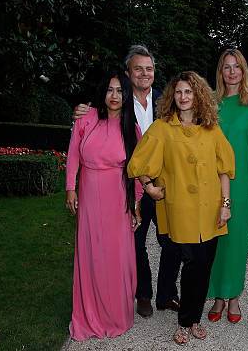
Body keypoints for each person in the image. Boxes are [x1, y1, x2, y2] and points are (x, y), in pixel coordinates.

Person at [74, 45, 182, 318]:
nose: (144, 74)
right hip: (130, 185)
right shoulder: (116, 103)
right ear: (127, 73)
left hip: (164, 185)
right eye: (138, 69)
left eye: (149, 69)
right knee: (135, 242)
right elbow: (89, 128)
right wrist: (80, 110)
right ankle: (143, 294)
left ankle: (167, 293)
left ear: (154, 72)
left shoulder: (166, 102)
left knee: (172, 240)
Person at [128, 71, 235, 345]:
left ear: (198, 95)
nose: (183, 97)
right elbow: (139, 163)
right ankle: (185, 322)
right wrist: (149, 187)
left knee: (204, 266)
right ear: (172, 97)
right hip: (181, 210)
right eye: (178, 92)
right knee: (191, 265)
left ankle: (195, 317)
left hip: (211, 209)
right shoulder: (162, 128)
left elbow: (225, 170)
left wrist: (225, 205)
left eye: (188, 92)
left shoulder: (212, 129)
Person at [65, 72, 142, 340]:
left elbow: (137, 169)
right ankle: (89, 314)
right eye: (110, 90)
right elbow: (73, 154)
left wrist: (136, 205)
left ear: (126, 95)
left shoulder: (131, 127)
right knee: (91, 252)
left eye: (120, 91)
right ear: (103, 92)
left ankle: (116, 314)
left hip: (118, 197)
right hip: (88, 194)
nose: (114, 96)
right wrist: (71, 188)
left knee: (116, 256)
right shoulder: (86, 119)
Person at [207, 49, 248, 324]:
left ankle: (235, 297)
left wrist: (242, 178)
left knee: (237, 241)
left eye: (236, 67)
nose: (231, 72)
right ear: (220, 72)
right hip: (209, 183)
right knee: (215, 240)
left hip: (238, 185)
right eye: (226, 67)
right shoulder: (210, 104)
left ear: (243, 71)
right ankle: (217, 295)